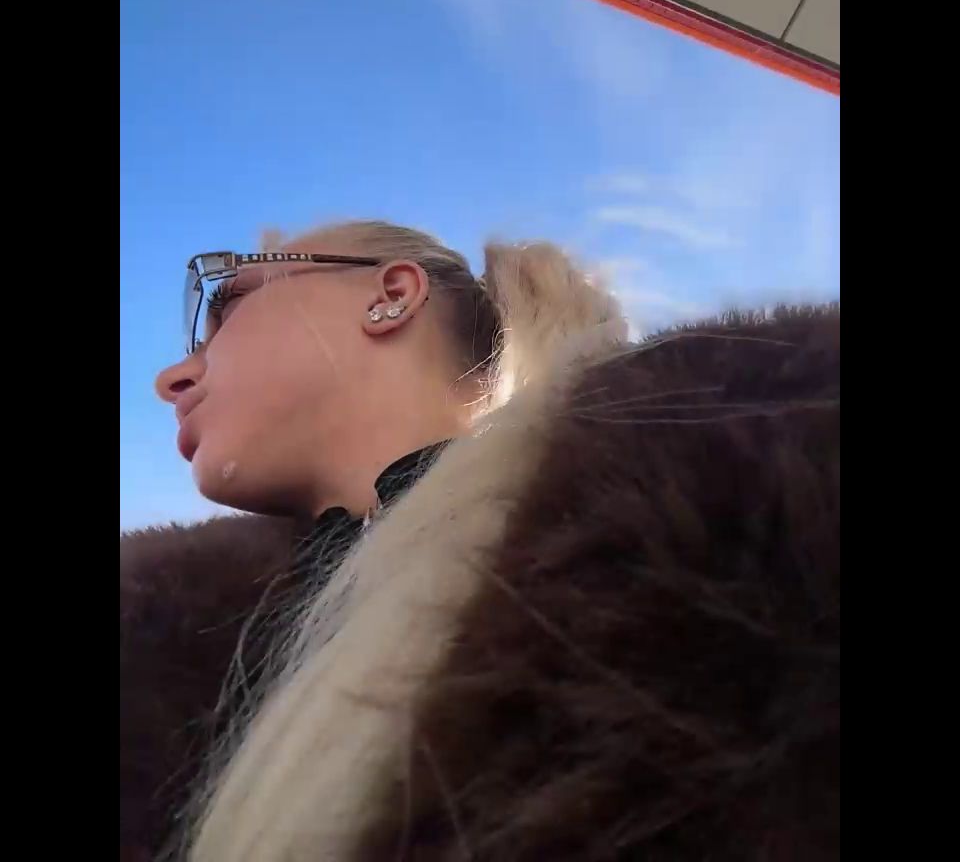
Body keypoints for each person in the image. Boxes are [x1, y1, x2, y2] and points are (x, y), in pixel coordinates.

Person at [120, 220, 840, 861]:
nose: (173, 377)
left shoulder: (753, 527)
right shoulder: (155, 636)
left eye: (225, 304)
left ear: (391, 296)